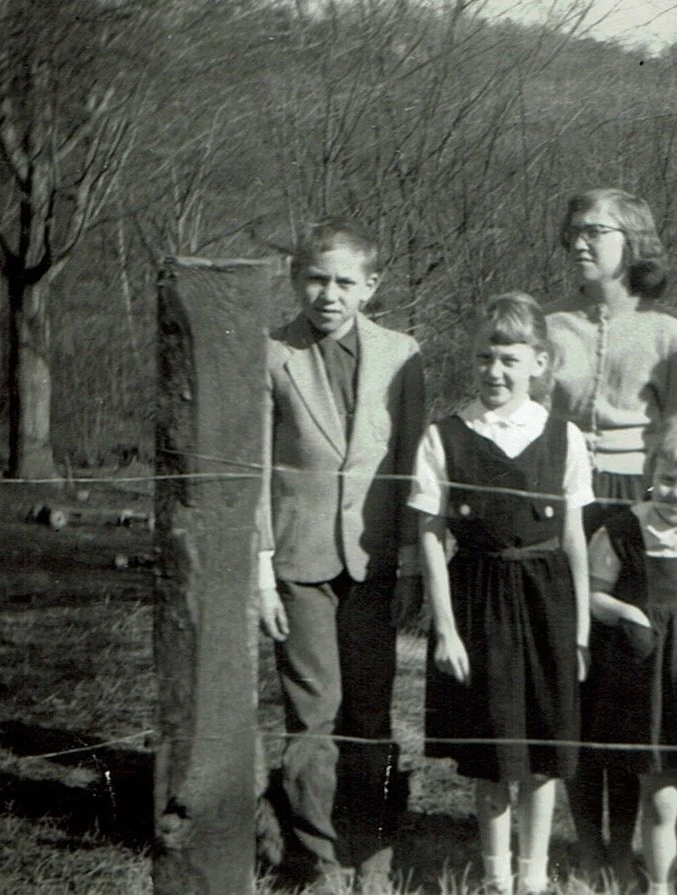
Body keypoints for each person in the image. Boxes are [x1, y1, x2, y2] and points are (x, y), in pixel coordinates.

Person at [257, 218, 425, 894]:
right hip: (299, 562)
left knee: (370, 715)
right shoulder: (270, 354)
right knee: (313, 711)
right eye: (316, 279)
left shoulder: (402, 354)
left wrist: (411, 561)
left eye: (344, 282)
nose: (328, 294)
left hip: (375, 562)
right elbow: (253, 470)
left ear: (371, 286)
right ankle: (321, 858)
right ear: (297, 279)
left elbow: (417, 464)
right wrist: (262, 571)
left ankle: (373, 850)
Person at [411, 292, 592, 895]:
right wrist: (445, 628)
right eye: (486, 357)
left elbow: (573, 539)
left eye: (510, 359)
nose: (495, 371)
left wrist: (582, 629)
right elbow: (433, 538)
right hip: (478, 601)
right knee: (492, 752)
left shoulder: (564, 437)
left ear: (539, 362)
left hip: (548, 604)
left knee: (541, 751)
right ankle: (494, 879)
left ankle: (533, 879)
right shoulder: (446, 437)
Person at [547, 186, 677, 879]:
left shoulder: (667, 332)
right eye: (573, 230)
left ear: (631, 241)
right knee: (574, 669)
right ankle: (588, 842)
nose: (579, 240)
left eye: (595, 230)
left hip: (640, 507)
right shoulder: (550, 329)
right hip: (568, 504)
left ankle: (632, 842)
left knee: (631, 674)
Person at [585, 416, 677, 895]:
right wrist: (626, 611)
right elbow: (591, 594)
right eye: (667, 479)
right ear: (651, 473)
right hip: (646, 673)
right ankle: (658, 886)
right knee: (659, 794)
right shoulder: (624, 528)